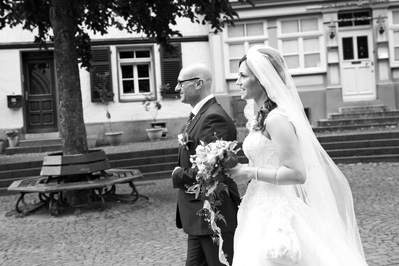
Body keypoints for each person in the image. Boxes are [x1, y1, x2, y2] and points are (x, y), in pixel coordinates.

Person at [225, 46, 369, 266]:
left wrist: (249, 172)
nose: (237, 82)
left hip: (277, 210)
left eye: (243, 76)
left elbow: (297, 173)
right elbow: (269, 157)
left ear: (262, 79)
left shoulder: (276, 119)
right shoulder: (260, 119)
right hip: (256, 205)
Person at [172, 63, 241, 266]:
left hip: (212, 213)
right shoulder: (201, 114)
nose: (177, 88)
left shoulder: (213, 117)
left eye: (180, 83)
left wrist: (178, 175)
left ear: (198, 84)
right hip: (198, 216)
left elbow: (212, 170)